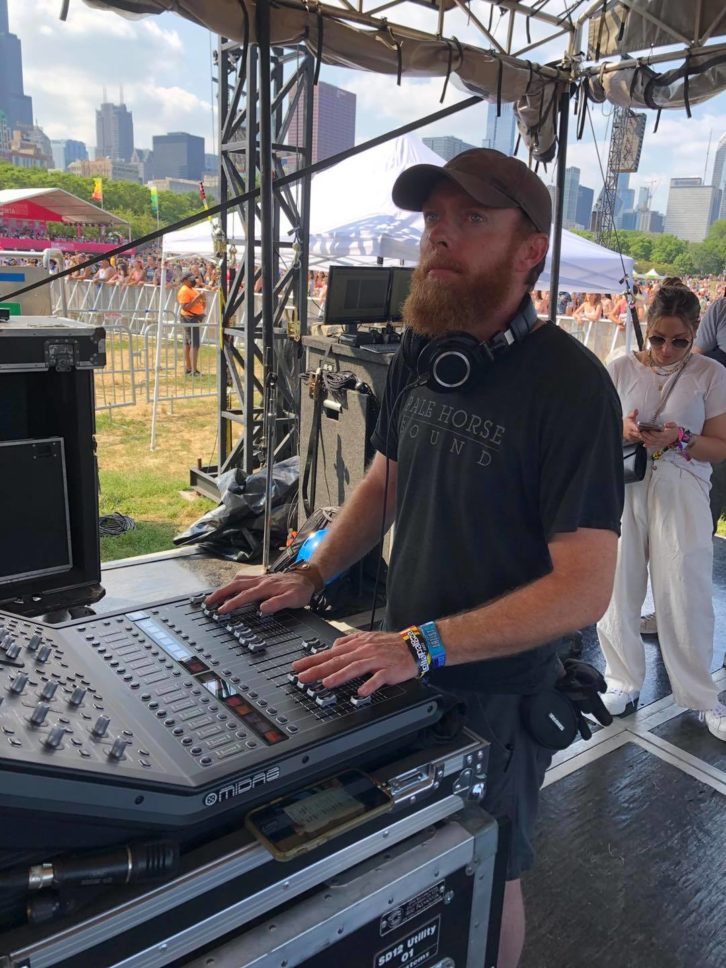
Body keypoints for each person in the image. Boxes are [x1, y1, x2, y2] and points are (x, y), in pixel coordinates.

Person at [205, 149, 624, 967]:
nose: (440, 239)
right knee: (410, 864)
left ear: (529, 249)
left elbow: (586, 587)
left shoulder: (573, 390)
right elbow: (385, 480)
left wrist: (421, 644)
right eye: (434, 220)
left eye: (471, 220)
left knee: (492, 866)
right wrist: (312, 569)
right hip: (404, 671)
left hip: (498, 693)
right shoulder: (420, 353)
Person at [595, 284, 726, 740]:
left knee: (686, 590)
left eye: (679, 341)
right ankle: (621, 680)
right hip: (626, 487)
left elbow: (720, 446)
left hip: (682, 489)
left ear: (695, 335)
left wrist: (681, 440)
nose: (666, 349)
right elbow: (592, 427)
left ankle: (702, 696)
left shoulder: (711, 374)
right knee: (618, 586)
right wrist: (624, 427)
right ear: (646, 332)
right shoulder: (618, 367)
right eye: (657, 339)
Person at [692, 291, 726, 532]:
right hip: (719, 415)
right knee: (715, 484)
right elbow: (696, 357)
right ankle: (707, 539)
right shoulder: (722, 308)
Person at [176, 270, 205, 375]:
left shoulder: (191, 289)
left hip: (193, 317)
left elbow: (200, 302)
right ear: (184, 281)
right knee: (194, 344)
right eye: (191, 280)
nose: (193, 281)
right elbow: (186, 307)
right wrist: (197, 298)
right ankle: (193, 370)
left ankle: (189, 368)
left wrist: (202, 301)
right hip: (189, 317)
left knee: (188, 343)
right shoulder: (184, 290)